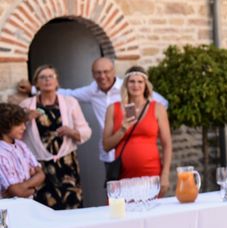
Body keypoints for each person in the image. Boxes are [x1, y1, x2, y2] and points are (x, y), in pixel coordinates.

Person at [20, 57, 168, 171]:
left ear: (113, 71)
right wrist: (34, 90)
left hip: (137, 150)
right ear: (92, 74)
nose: (102, 76)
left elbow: (161, 103)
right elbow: (67, 93)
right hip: (109, 152)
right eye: (98, 73)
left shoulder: (130, 87)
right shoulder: (91, 91)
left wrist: (141, 123)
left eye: (106, 72)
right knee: (115, 195)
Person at [20, 65, 91, 210]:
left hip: (67, 164)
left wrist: (71, 132)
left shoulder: (70, 102)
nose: (47, 80)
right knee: (43, 208)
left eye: (51, 76)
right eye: (42, 77)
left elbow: (85, 130)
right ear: (36, 83)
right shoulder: (26, 105)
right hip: (38, 167)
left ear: (57, 82)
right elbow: (15, 135)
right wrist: (25, 118)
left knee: (72, 206)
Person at [102, 66, 172, 196]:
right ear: (126, 84)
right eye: (132, 81)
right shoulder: (113, 108)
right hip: (123, 176)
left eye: (140, 81)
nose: (136, 85)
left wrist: (165, 174)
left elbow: (167, 144)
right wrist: (122, 129)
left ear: (146, 85)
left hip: (151, 174)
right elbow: (106, 146)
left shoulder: (157, 108)